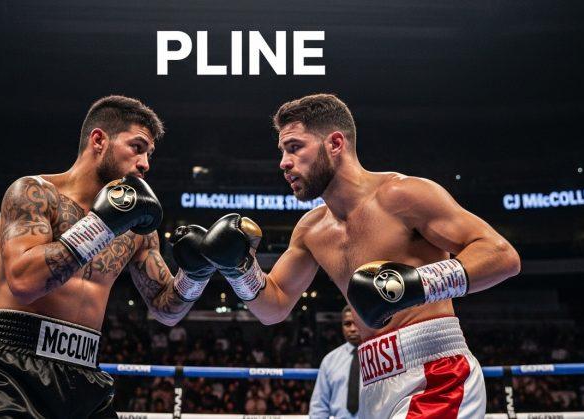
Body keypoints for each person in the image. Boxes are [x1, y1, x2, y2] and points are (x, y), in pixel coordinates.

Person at [197, 93, 521, 418]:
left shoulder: (402, 195)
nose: (284, 162)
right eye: (282, 150)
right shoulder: (311, 229)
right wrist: (240, 269)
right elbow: (273, 308)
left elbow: (501, 255)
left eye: (295, 147)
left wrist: (414, 284)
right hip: (373, 382)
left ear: (335, 143)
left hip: (435, 374)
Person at [0, 96, 217, 418]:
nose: (145, 164)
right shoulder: (33, 193)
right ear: (99, 140)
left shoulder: (137, 229)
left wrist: (197, 272)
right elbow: (24, 281)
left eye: (149, 154)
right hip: (14, 372)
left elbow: (166, 310)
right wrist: (103, 225)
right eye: (137, 147)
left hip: (86, 378)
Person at [309, 305, 363, 419]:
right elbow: (319, 406)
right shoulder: (330, 360)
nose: (352, 329)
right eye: (347, 324)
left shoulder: (379, 356)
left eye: (357, 323)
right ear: (342, 326)